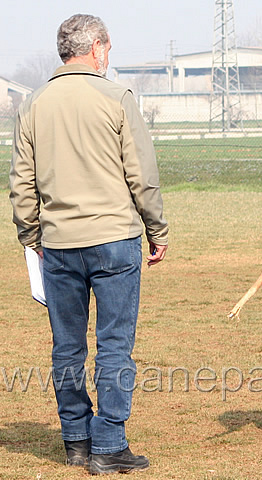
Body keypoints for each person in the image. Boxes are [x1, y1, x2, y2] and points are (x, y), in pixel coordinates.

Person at [9, 14, 168, 474]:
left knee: (67, 347)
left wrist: (31, 235)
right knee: (115, 344)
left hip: (58, 245)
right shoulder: (117, 97)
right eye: (108, 49)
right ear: (97, 48)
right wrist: (156, 230)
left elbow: (21, 183)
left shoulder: (34, 103)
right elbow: (142, 174)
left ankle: (75, 440)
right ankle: (110, 443)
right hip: (115, 239)